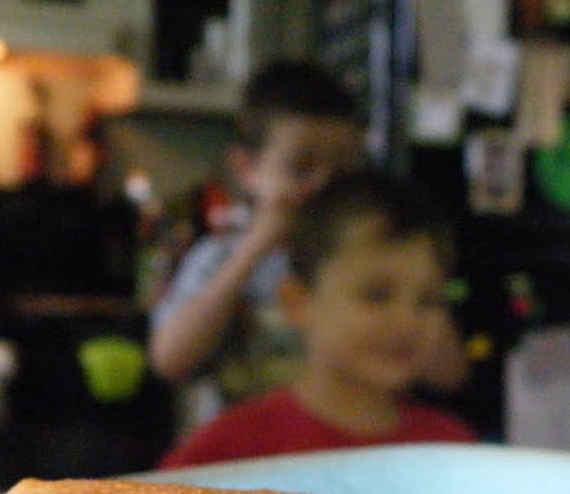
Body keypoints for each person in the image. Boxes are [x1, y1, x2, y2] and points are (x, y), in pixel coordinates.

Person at [150, 58, 468, 412]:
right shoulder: (221, 257)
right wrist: (253, 250)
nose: (324, 185)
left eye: (344, 170)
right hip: (250, 455)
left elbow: (448, 374)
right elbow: (171, 360)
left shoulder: (379, 261)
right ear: (247, 169)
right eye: (301, 168)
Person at [157, 168, 478, 469]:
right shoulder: (231, 451)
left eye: (429, 300)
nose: (408, 321)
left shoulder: (452, 451)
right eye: (377, 295)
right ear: (299, 302)